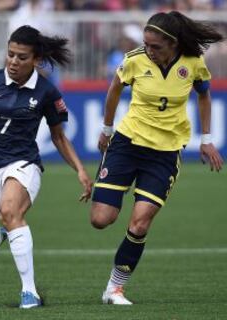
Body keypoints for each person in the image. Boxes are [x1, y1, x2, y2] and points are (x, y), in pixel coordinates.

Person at [0, 25, 92, 309]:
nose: (13, 61)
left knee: (10, 211)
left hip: (24, 163)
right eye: (10, 55)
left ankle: (29, 291)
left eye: (21, 57)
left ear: (36, 60)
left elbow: (59, 136)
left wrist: (80, 170)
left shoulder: (47, 92)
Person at [90, 11, 224, 305]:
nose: (149, 51)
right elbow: (114, 89)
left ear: (173, 44)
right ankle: (117, 190)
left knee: (139, 224)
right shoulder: (134, 60)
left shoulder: (192, 64)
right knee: (101, 219)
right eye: (146, 44)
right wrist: (106, 128)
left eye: (156, 46)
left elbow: (204, 94)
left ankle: (114, 289)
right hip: (127, 144)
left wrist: (206, 139)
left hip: (164, 153)